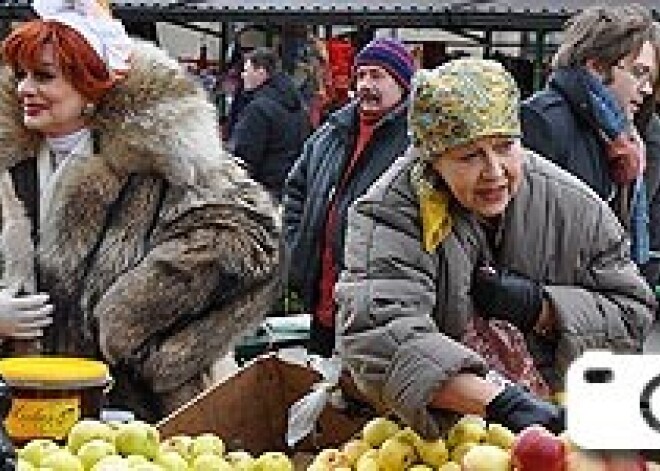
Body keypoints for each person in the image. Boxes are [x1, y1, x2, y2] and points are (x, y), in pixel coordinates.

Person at [335, 58, 656, 437]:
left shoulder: (573, 206)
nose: (494, 170)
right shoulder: (391, 211)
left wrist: (543, 309)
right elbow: (378, 330)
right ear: (433, 159)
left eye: (505, 146)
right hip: (434, 432)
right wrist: (501, 402)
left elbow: (633, 312)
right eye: (470, 155)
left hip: (564, 416)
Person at [0, 0, 280, 421]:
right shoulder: (9, 169)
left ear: (90, 87)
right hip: (23, 407)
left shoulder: (166, 164)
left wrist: (134, 318)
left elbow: (251, 244)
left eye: (44, 76)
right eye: (21, 75)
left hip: (144, 413)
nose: (24, 89)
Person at [283, 37, 415, 357]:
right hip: (323, 298)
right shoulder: (331, 132)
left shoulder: (415, 142)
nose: (367, 84)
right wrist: (295, 245)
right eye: (362, 75)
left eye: (378, 76)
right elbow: (296, 188)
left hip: (378, 311)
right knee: (320, 390)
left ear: (402, 84)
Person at [521, 5, 656, 267]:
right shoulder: (542, 120)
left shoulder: (622, 137)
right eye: (638, 73)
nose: (648, 89)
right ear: (596, 67)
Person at [229, 47, 311, 202]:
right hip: (293, 193)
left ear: (261, 72)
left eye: (246, 70)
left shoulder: (257, 109)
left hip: (263, 195)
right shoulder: (299, 107)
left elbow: (243, 158)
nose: (242, 75)